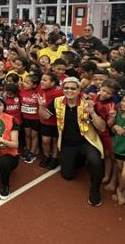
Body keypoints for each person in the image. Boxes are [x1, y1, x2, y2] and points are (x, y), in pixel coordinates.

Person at [38, 76, 106, 207]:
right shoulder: (57, 101)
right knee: (68, 175)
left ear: (79, 90)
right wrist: (41, 106)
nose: (69, 91)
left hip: (86, 142)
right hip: (67, 144)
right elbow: (45, 116)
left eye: (73, 88)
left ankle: (95, 190)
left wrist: (92, 113)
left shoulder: (88, 103)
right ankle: (79, 160)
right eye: (66, 88)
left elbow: (102, 127)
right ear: (62, 89)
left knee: (96, 161)